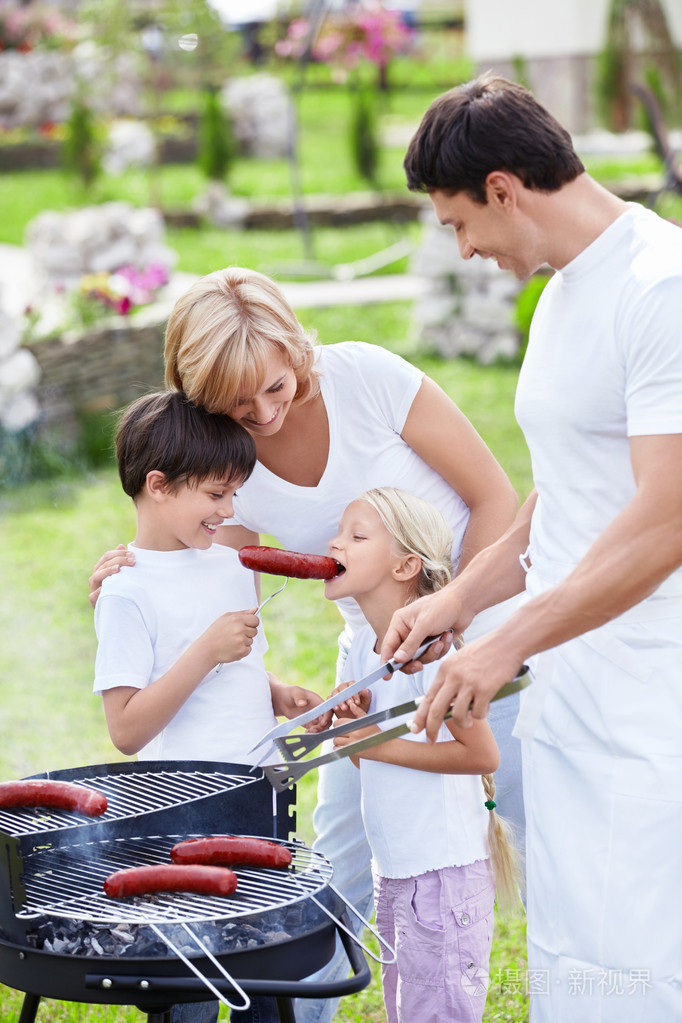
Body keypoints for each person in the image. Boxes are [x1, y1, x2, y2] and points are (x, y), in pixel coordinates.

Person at [88, 266, 524, 1023]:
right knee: (337, 855)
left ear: (296, 349)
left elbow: (495, 499)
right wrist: (137, 568)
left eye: (276, 387)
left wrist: (452, 619)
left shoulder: (370, 380)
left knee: (528, 821)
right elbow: (214, 575)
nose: (261, 412)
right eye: (236, 401)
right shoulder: (229, 456)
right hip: (372, 656)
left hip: (481, 622)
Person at [379, 74, 682, 1021]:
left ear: (504, 187)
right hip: (573, 683)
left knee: (635, 949)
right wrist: (461, 599)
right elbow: (568, 487)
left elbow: (667, 515)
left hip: (652, 685)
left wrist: (510, 640)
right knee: (569, 944)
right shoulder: (558, 297)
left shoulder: (660, 286)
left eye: (460, 224)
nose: (465, 248)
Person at [93, 390, 321, 1023]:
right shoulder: (125, 592)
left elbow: (240, 665)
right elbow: (126, 729)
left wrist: (275, 692)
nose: (229, 511)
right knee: (193, 980)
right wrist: (205, 653)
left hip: (261, 793)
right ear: (160, 486)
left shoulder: (229, 564)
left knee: (265, 969)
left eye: (235, 495)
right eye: (216, 496)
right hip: (184, 810)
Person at [321, 487, 522, 1023]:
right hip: (397, 870)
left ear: (406, 564)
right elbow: (373, 762)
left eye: (356, 536)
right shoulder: (362, 646)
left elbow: (482, 755)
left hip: (442, 876)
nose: (334, 543)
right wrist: (354, 731)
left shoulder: (434, 653)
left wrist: (378, 742)